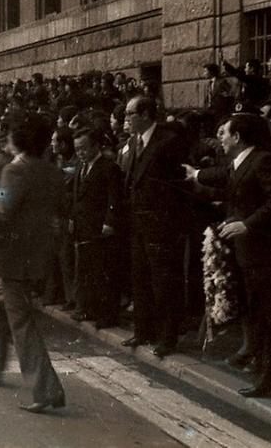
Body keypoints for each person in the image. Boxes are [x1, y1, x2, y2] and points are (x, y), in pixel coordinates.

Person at [185, 113, 271, 415]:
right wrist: (197, 175)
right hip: (251, 258)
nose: (220, 137)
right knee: (265, 322)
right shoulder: (242, 161)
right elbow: (223, 175)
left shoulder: (263, 160)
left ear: (239, 136)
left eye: (225, 132)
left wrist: (247, 224)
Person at [0, 115, 67, 414]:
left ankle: (45, 389)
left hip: (12, 256)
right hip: (37, 253)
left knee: (21, 322)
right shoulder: (52, 172)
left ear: (18, 141)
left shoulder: (13, 171)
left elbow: (1, 212)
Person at [122, 95, 188, 358]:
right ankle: (143, 330)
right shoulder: (133, 142)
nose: (126, 118)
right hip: (138, 222)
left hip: (160, 224)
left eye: (130, 113)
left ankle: (167, 337)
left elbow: (177, 187)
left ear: (146, 114)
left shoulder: (168, 142)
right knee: (140, 278)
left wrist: (167, 221)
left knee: (163, 282)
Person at [68, 127, 123, 329]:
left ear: (95, 146)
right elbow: (77, 197)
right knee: (89, 270)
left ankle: (108, 314)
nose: (80, 152)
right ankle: (91, 309)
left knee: (104, 271)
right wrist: (73, 218)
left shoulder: (108, 168)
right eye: (77, 149)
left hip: (100, 227)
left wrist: (109, 221)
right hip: (84, 226)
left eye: (83, 148)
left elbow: (113, 198)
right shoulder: (82, 168)